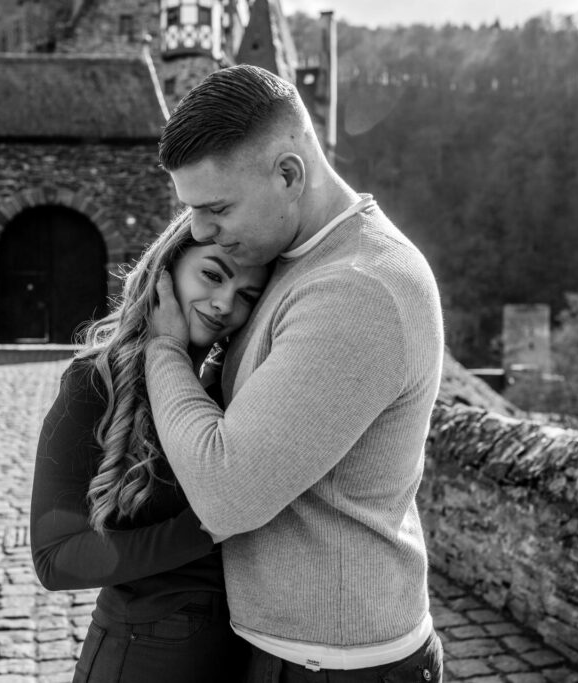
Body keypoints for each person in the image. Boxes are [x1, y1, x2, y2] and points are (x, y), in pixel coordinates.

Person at [145, 64, 446, 682]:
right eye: (191, 209)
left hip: (338, 663)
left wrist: (164, 350)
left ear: (289, 173)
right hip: (292, 647)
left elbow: (227, 489)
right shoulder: (288, 257)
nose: (198, 231)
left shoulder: (359, 289)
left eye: (217, 207)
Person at [30, 212, 269, 683]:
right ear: (167, 270)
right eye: (212, 275)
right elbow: (53, 558)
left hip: (235, 656)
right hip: (139, 657)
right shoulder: (95, 382)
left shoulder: (234, 388)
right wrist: (207, 525)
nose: (223, 303)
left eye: (246, 296)